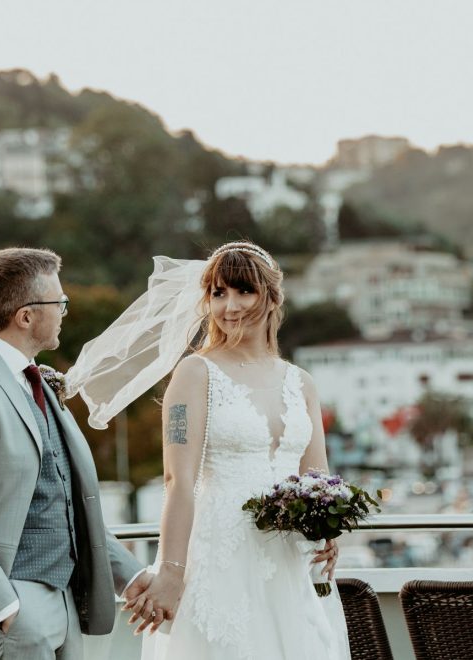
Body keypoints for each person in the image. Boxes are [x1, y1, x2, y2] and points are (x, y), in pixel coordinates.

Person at [122, 242, 351, 660]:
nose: (231, 306)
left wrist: (327, 532)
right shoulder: (194, 374)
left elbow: (318, 479)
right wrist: (172, 571)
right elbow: (178, 481)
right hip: (219, 558)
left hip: (291, 563)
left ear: (272, 296)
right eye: (218, 293)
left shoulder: (301, 382)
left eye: (244, 291)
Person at [0, 247, 152, 659]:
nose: (65, 311)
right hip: (16, 610)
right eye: (59, 302)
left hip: (67, 602)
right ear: (26, 316)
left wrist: (132, 575)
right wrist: (6, 610)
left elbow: (65, 503)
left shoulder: (40, 381)